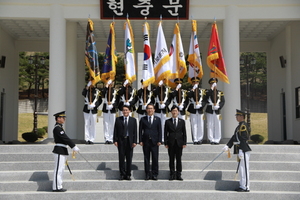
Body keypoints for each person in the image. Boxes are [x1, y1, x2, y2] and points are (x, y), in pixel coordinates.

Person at [222, 109, 251, 192]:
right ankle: (242, 185)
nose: (236, 117)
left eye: (237, 116)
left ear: (242, 117)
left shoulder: (244, 126)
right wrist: (228, 146)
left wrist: (241, 149)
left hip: (243, 149)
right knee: (241, 169)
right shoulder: (239, 126)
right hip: (240, 149)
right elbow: (234, 137)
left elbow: (244, 138)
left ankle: (246, 186)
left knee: (245, 169)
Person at [52, 111, 80, 192]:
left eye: (64, 118)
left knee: (61, 169)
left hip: (62, 150)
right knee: (58, 169)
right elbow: (65, 138)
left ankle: (59, 185)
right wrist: (74, 146)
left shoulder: (60, 127)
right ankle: (56, 187)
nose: (64, 119)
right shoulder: (57, 128)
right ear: (58, 119)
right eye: (62, 117)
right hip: (59, 150)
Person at [113, 105, 137, 181]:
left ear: (129, 111)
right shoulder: (118, 119)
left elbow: (135, 132)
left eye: (126, 110)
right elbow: (115, 131)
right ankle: (122, 174)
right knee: (121, 158)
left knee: (129, 158)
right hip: (121, 141)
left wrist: (135, 141)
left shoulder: (133, 120)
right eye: (124, 110)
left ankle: (128, 174)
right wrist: (115, 140)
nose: (125, 111)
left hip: (129, 141)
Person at [139, 103, 162, 181]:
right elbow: (140, 131)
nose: (150, 110)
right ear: (146, 110)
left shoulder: (158, 119)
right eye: (148, 108)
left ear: (154, 110)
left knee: (155, 159)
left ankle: (155, 174)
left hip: (155, 142)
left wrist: (159, 140)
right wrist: (140, 140)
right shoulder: (143, 119)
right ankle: (147, 174)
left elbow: (160, 130)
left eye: (151, 108)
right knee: (146, 159)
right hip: (146, 142)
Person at [164, 105, 187, 181]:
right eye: (173, 111)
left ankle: (178, 174)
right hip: (171, 143)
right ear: (171, 112)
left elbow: (184, 132)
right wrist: (166, 143)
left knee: (178, 159)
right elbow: (165, 133)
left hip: (179, 143)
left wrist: (184, 142)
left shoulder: (182, 121)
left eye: (176, 111)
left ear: (178, 112)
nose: (174, 112)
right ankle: (172, 174)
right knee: (171, 159)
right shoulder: (168, 122)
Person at [187, 77, 207, 145]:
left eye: (197, 82)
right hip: (193, 109)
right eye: (194, 82)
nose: (195, 83)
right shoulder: (190, 90)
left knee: (200, 125)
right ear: (192, 83)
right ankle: (195, 139)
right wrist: (193, 90)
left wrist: (201, 105)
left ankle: (200, 139)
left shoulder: (202, 91)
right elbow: (188, 95)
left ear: (198, 83)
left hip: (200, 109)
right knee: (194, 124)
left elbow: (205, 100)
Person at [205, 78, 225, 145]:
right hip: (210, 110)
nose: (213, 84)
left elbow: (223, 101)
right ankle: (211, 139)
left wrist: (219, 106)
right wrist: (212, 89)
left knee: (217, 125)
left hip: (217, 110)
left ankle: (217, 139)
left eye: (214, 83)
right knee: (210, 125)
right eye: (211, 83)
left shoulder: (220, 92)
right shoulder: (207, 91)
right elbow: (206, 96)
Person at [153, 79, 171, 143]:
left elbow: (169, 99)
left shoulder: (167, 90)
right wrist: (159, 86)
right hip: (157, 108)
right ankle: (158, 138)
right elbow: (154, 94)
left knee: (164, 124)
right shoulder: (156, 89)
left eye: (163, 81)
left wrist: (165, 104)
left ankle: (163, 138)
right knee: (157, 124)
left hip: (164, 109)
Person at [102, 79, 119, 144]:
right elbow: (102, 94)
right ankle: (106, 138)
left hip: (112, 108)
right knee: (106, 124)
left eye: (112, 82)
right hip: (106, 108)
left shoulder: (115, 91)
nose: (111, 83)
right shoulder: (105, 90)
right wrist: (106, 86)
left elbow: (118, 100)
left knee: (112, 124)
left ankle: (111, 138)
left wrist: (113, 105)